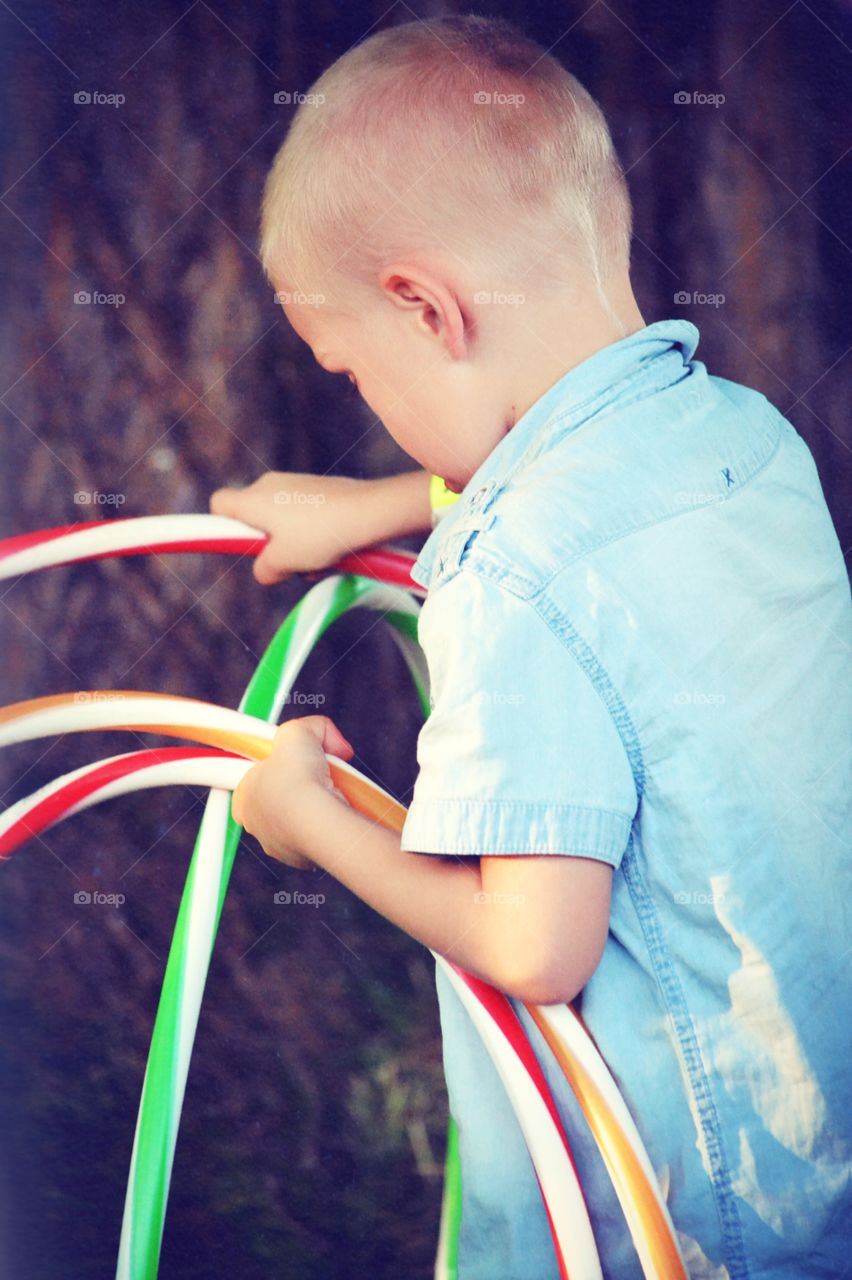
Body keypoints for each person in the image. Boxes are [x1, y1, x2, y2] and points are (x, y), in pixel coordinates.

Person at [209, 15, 852, 1279]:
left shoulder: (505, 584)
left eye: (353, 372)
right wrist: (379, 502)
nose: (365, 401)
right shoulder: (746, 438)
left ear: (425, 307)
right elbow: (577, 480)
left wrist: (313, 815)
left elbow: (531, 946)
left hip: (668, 1214)